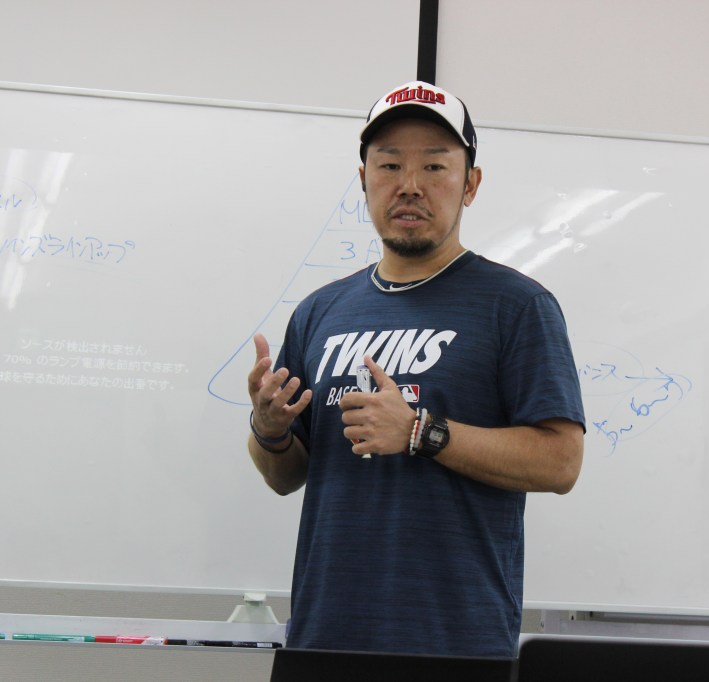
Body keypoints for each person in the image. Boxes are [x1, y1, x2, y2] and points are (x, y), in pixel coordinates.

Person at [246, 81, 585, 658]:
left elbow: (561, 462)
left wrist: (419, 432)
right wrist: (270, 429)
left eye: (434, 165)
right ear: (363, 180)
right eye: (389, 165)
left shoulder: (517, 306)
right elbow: (285, 476)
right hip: (323, 637)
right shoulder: (320, 312)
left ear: (471, 184)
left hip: (455, 643)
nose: (409, 185)